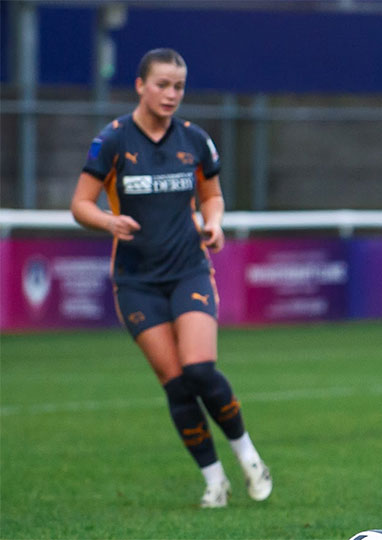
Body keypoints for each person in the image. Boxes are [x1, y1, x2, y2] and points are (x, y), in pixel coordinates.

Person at [70, 48, 271, 509]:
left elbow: (212, 193)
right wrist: (107, 222)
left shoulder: (195, 139)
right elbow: (80, 203)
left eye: (178, 86)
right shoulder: (114, 141)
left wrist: (214, 222)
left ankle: (248, 456)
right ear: (140, 86)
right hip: (136, 279)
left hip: (188, 269)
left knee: (200, 368)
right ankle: (214, 480)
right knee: (177, 383)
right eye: (161, 84)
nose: (171, 94)